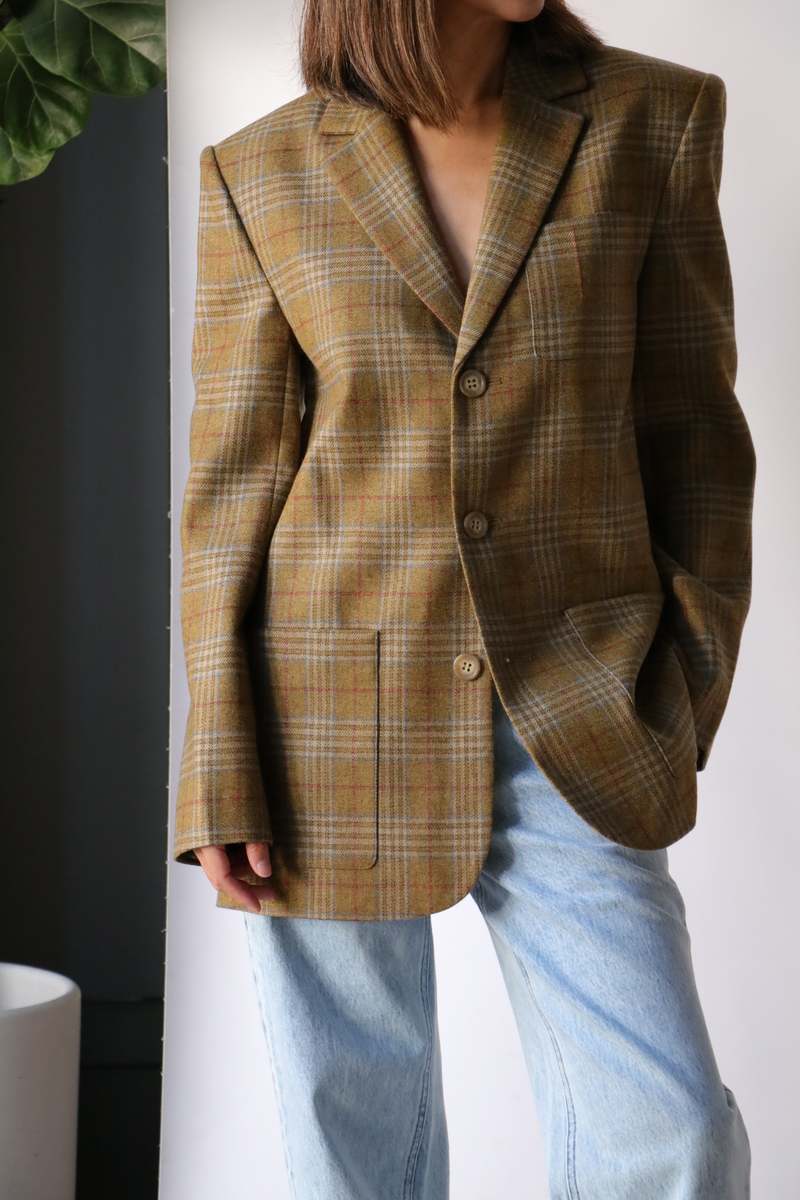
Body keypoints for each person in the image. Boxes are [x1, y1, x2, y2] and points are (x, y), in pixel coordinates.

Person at [174, 0, 755, 1195]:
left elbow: (695, 437)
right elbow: (230, 495)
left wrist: (679, 688)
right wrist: (219, 765)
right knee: (350, 1151)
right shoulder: (259, 172)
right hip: (321, 724)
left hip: (576, 707)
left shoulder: (652, 120)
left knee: (671, 1136)